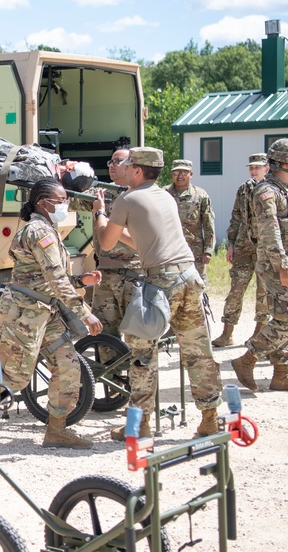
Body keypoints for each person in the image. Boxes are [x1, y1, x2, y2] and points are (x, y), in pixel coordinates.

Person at [0, 178, 103, 449]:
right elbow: (54, 277)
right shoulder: (38, 232)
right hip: (23, 314)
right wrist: (84, 313)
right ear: (43, 203)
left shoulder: (48, 229)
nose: (65, 204)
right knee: (15, 377)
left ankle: (56, 430)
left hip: (46, 311)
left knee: (68, 366)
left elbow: (45, 276)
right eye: (60, 200)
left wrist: (81, 281)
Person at [92, 147, 222, 439]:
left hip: (162, 282)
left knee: (142, 353)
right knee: (197, 350)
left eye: (126, 164)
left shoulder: (126, 199)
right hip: (188, 275)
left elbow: (107, 242)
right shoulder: (165, 196)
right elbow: (141, 241)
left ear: (137, 171)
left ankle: (140, 422)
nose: (121, 168)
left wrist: (101, 213)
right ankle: (210, 417)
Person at [230, 139, 288, 393]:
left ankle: (281, 374)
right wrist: (283, 266)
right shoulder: (266, 192)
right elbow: (270, 233)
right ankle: (247, 359)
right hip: (277, 265)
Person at [214, 153, 270, 347]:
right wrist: (231, 244)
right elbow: (236, 217)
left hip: (266, 248)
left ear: (267, 168)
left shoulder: (274, 189)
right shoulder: (244, 189)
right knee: (236, 289)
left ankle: (259, 333)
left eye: (257, 167)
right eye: (251, 167)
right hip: (243, 247)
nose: (253, 171)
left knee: (263, 292)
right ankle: (227, 332)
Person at [88, 147, 142, 339]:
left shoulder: (141, 196)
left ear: (131, 166)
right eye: (111, 162)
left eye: (117, 161)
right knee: (105, 337)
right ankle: (111, 370)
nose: (112, 165)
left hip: (135, 275)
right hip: (105, 275)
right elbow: (68, 198)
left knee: (138, 336)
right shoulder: (100, 193)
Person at [166, 159, 215, 280]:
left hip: (195, 250)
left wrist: (208, 250)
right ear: (172, 174)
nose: (180, 176)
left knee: (196, 284)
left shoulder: (200, 195)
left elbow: (208, 224)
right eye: (176, 172)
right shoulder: (164, 193)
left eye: (184, 172)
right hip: (170, 248)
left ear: (191, 174)